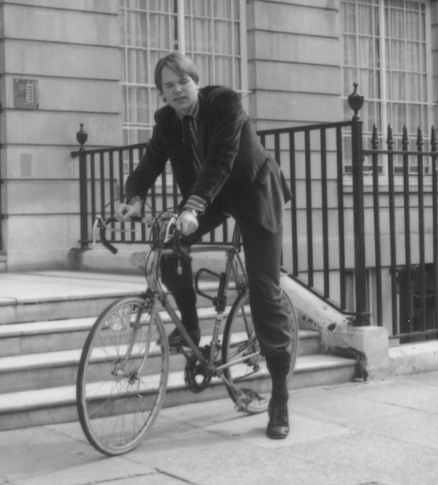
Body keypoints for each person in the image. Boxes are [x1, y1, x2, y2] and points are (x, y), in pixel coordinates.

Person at [114, 52, 294, 440]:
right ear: (161, 94)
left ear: (196, 81)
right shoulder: (166, 120)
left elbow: (221, 158)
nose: (177, 90)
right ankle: (192, 332)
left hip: (253, 190)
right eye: (167, 86)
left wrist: (193, 206)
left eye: (183, 81)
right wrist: (133, 195)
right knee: (167, 246)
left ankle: (279, 398)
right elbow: (149, 164)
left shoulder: (224, 101)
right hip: (210, 196)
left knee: (265, 291)